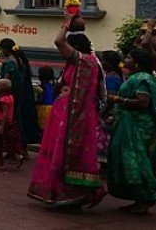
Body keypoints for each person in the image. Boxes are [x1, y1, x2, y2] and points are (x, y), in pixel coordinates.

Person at [27, 11, 105, 208]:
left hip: (72, 115)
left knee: (66, 153)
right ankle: (74, 193)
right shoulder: (83, 62)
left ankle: (71, 192)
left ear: (76, 47)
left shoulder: (83, 60)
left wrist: (66, 23)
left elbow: (58, 41)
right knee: (61, 153)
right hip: (70, 112)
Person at [106, 47, 156, 214]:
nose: (125, 60)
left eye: (128, 57)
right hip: (128, 123)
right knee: (129, 159)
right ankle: (139, 199)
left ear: (137, 62)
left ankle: (147, 196)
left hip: (138, 126)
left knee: (137, 160)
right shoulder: (136, 77)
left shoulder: (142, 78)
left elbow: (143, 102)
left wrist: (118, 99)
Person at [0, 38, 41, 154]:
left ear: (5, 49)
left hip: (10, 95)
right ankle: (22, 149)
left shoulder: (9, 62)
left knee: (11, 122)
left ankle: (14, 150)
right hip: (21, 94)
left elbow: (5, 80)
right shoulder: (20, 60)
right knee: (18, 120)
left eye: (1, 49)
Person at [0, 79, 25, 169]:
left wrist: (1, 126)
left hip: (1, 122)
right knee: (11, 141)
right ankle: (19, 157)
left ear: (3, 88)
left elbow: (4, 113)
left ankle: (1, 163)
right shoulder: (10, 97)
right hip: (10, 122)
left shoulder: (3, 100)